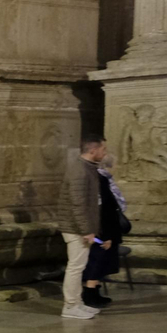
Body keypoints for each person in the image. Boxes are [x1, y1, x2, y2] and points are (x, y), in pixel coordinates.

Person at [61, 135, 106, 320]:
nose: (105, 153)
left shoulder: (87, 168)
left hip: (81, 227)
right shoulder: (79, 170)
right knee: (75, 267)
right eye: (103, 149)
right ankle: (70, 305)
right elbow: (77, 203)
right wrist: (86, 230)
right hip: (76, 228)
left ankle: (77, 302)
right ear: (93, 150)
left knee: (79, 266)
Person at [83, 155, 130, 304]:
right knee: (98, 260)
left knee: (102, 261)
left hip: (106, 227)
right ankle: (90, 294)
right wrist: (107, 235)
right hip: (103, 228)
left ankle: (95, 292)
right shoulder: (100, 180)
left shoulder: (103, 179)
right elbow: (104, 208)